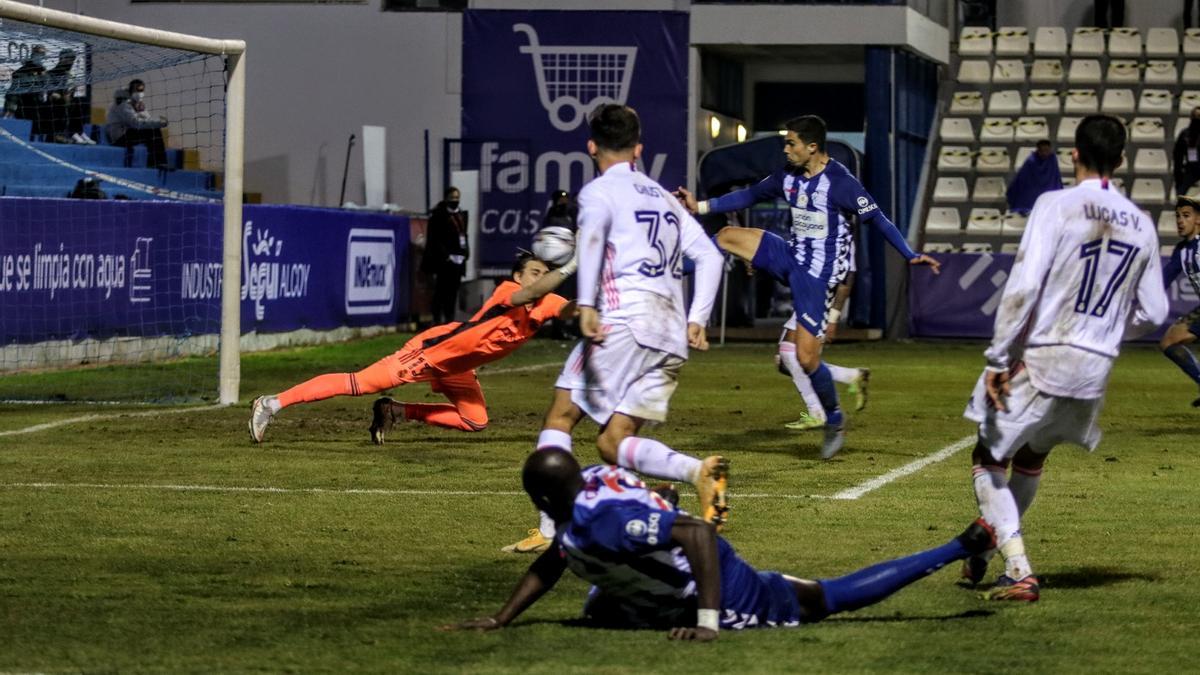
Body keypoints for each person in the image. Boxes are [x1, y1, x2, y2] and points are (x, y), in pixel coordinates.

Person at [447, 449, 995, 640]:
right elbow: (557, 556)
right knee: (602, 599)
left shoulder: (604, 523)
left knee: (823, 601)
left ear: (544, 494)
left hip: (723, 587)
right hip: (661, 572)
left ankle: (960, 544)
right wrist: (502, 618)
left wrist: (709, 620)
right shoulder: (585, 488)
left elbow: (695, 534)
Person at [961, 114, 1168, 602]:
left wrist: (996, 359)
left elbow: (1025, 284)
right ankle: (987, 551)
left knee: (987, 454)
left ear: (1073, 154)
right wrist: (1110, 332)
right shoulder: (1141, 222)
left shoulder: (1056, 203)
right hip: (1095, 365)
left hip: (1048, 352)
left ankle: (1017, 568)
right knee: (1032, 455)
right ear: (1121, 161)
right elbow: (1156, 310)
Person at [503, 104, 726, 554]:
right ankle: (698, 471)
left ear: (591, 147)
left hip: (624, 322)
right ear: (639, 149)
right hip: (669, 332)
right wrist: (697, 318)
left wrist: (586, 304)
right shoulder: (663, 197)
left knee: (561, 416)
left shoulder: (600, 192)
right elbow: (711, 257)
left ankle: (551, 533)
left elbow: (588, 245)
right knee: (612, 441)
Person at [676, 115, 940, 459]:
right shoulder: (788, 176)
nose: (786, 149)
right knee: (726, 236)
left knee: (803, 357)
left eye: (791, 144)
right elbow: (752, 194)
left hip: (816, 278)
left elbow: (879, 220)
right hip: (789, 254)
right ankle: (672, 269)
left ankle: (834, 419)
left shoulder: (842, 184)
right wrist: (701, 206)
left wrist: (910, 254)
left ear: (812, 147)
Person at [248, 252, 576, 443]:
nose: (540, 278)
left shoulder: (547, 301)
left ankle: (396, 411)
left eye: (544, 274)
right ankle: (272, 403)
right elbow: (528, 295)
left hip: (459, 366)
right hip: (432, 352)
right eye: (534, 272)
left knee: (475, 421)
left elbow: (571, 309)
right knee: (359, 383)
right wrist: (569, 266)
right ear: (518, 276)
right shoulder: (509, 292)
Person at [1159, 196, 1200, 405]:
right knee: (1169, 342)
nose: (1180, 221)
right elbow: (1161, 283)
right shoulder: (1182, 251)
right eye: (1177, 216)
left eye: (1186, 216)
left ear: (1198, 220)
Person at [422, 187, 470, 325]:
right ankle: (437, 317)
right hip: (444, 260)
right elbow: (434, 239)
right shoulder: (438, 215)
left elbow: (464, 235)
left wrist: (466, 252)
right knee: (441, 290)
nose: (455, 201)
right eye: (452, 198)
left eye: (457, 198)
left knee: (453, 291)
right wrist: (446, 255)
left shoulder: (461, 214)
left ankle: (450, 318)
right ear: (446, 198)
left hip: (459, 258)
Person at [105, 79, 168, 168]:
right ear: (131, 90)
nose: (140, 93)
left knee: (153, 130)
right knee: (152, 131)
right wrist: (159, 122)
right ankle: (158, 162)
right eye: (137, 90)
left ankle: (156, 163)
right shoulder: (122, 102)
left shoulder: (137, 103)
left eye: (142, 90)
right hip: (118, 137)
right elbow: (135, 123)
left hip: (128, 132)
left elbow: (147, 119)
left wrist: (152, 118)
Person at [43, 49, 93, 145]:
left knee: (80, 102)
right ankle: (58, 135)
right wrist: (62, 97)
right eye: (69, 59)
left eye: (72, 59)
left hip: (66, 102)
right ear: (61, 59)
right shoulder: (50, 74)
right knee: (61, 103)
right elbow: (50, 93)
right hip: (51, 105)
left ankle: (78, 132)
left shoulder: (69, 76)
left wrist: (70, 93)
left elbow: (71, 92)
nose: (71, 62)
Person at [1006, 140, 1062, 216]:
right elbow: (1022, 178)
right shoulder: (1031, 161)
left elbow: (1056, 176)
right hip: (1033, 189)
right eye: (1042, 151)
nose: (1045, 153)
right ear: (1037, 150)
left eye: (1047, 150)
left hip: (1048, 187)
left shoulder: (1052, 159)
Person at [4, 45, 48, 136]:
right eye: (38, 53)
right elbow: (16, 83)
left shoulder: (43, 73)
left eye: (42, 54)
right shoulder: (23, 70)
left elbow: (46, 88)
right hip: (25, 104)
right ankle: (8, 116)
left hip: (38, 105)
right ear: (33, 54)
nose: (39, 56)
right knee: (15, 93)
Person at [1173, 107, 1200, 199]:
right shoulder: (1185, 134)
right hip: (1191, 169)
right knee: (1181, 192)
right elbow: (1178, 156)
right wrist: (1178, 176)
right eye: (1196, 117)